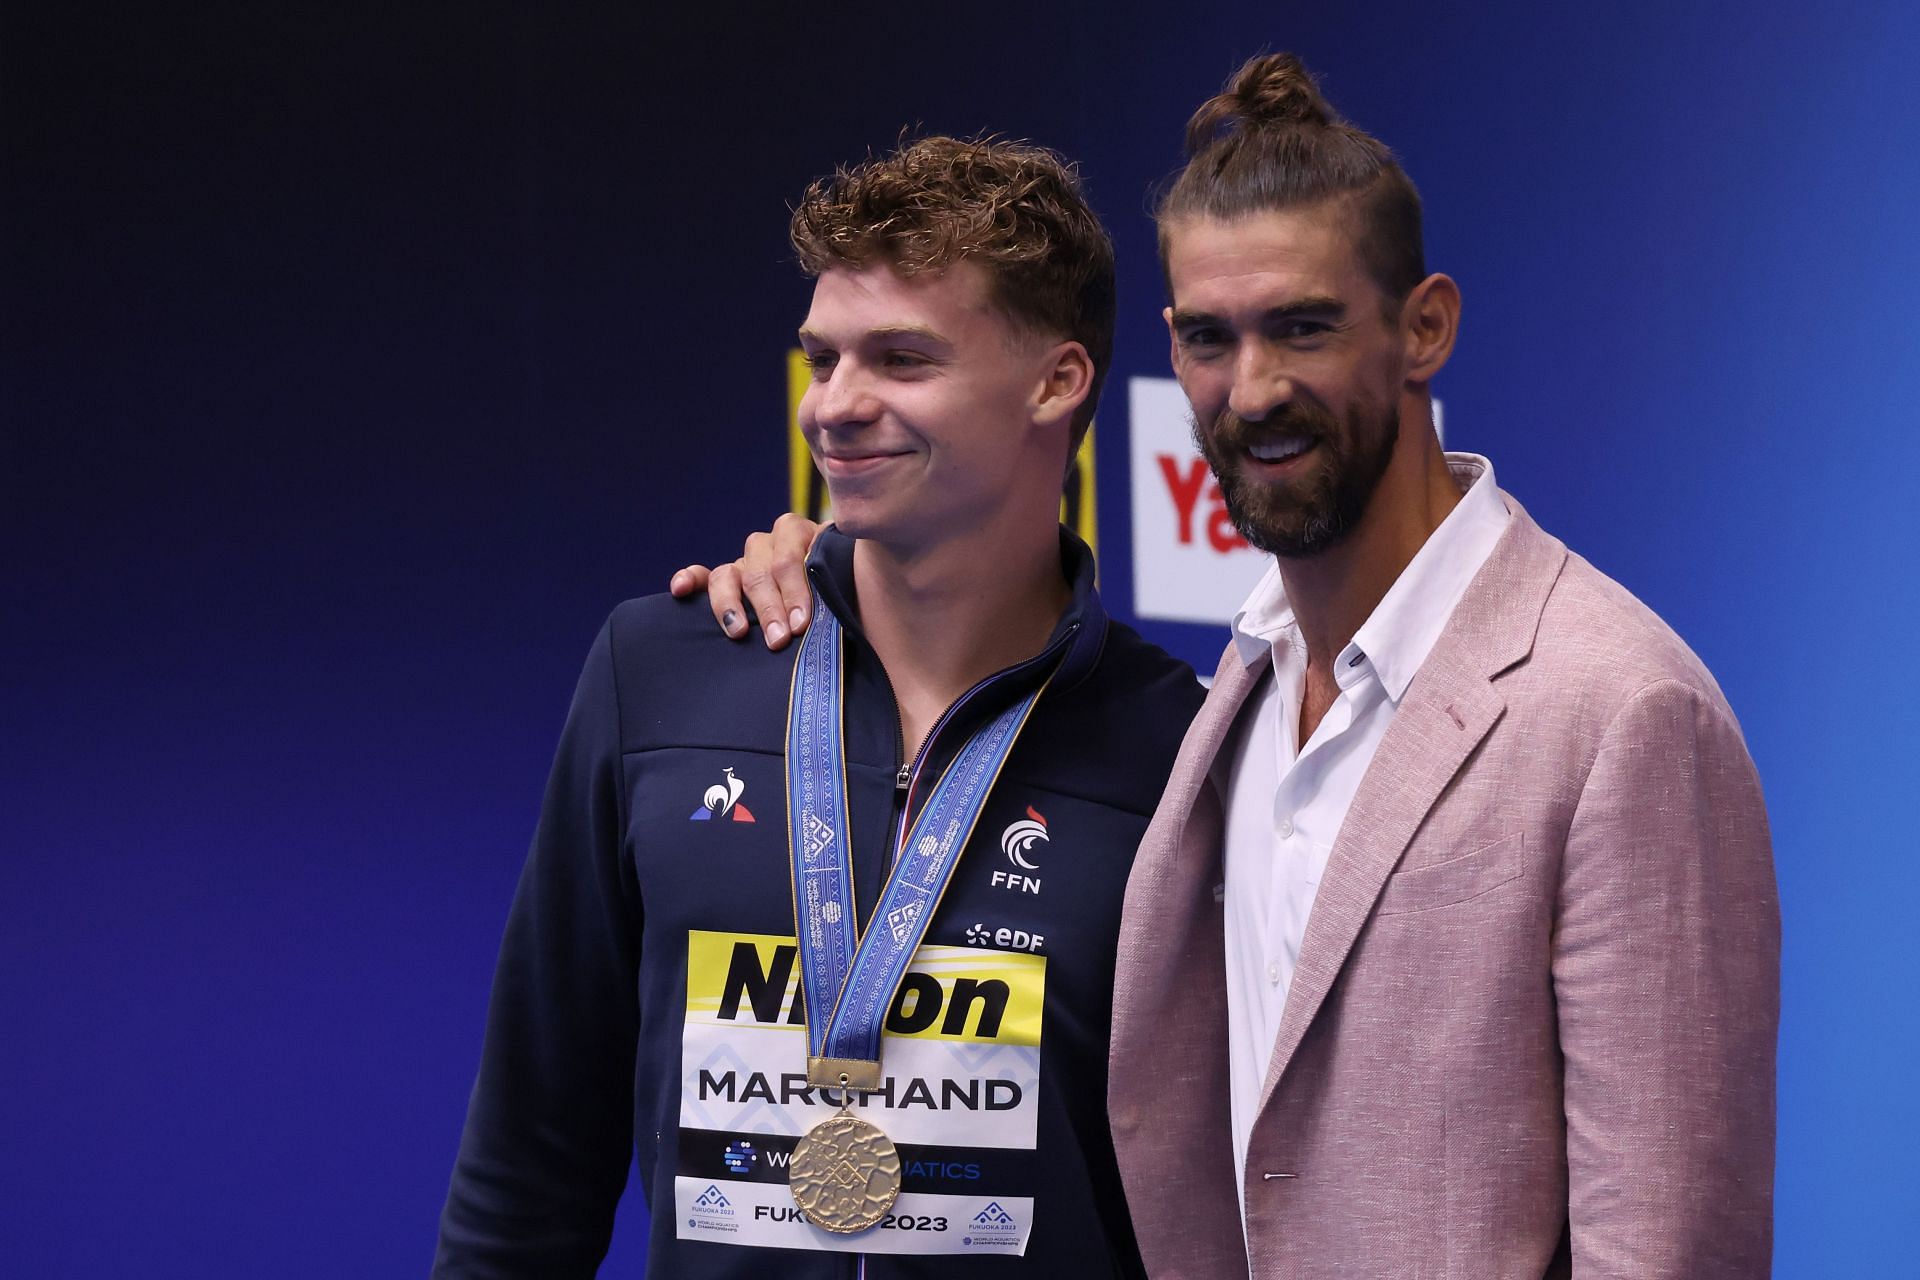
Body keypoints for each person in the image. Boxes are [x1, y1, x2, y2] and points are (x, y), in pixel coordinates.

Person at [676, 54, 1779, 1279]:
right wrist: (820, 558)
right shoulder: (1224, 706)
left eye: (1302, 327)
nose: (1253, 389)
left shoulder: (1619, 705)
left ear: (1426, 326)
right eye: (1211, 337)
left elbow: (1673, 1244)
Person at [434, 134, 1201, 1278]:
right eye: (821, 358)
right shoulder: (664, 668)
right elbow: (529, 1166)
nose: (834, 406)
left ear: (1057, 380)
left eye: (898, 357)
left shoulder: (1179, 745)